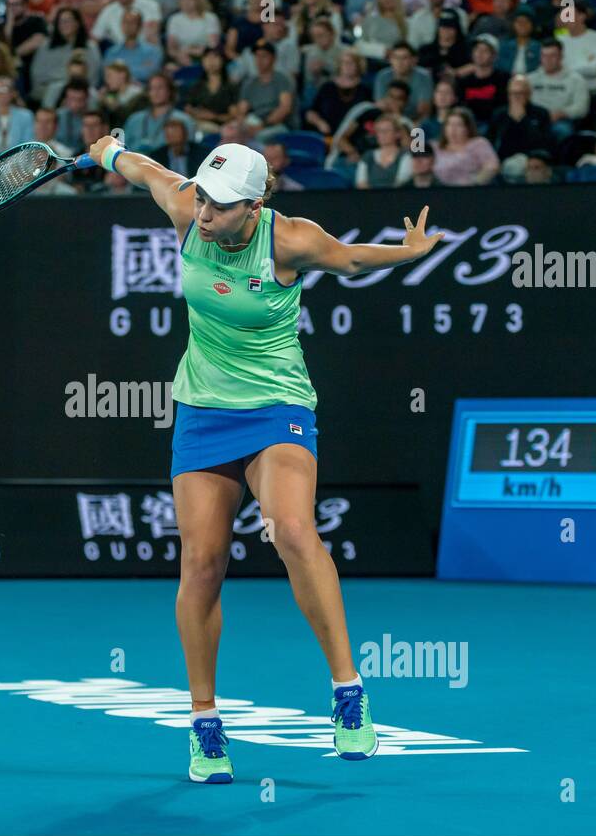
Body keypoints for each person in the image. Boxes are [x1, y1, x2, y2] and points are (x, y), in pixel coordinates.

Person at [79, 131, 444, 781]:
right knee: (202, 563)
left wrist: (408, 252)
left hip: (277, 406)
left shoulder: (290, 238)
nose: (206, 213)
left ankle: (348, 695)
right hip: (201, 412)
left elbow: (351, 261)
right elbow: (145, 169)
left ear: (254, 204)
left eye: (221, 205)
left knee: (295, 530)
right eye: (204, 200)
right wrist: (108, 152)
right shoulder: (188, 208)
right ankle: (205, 725)